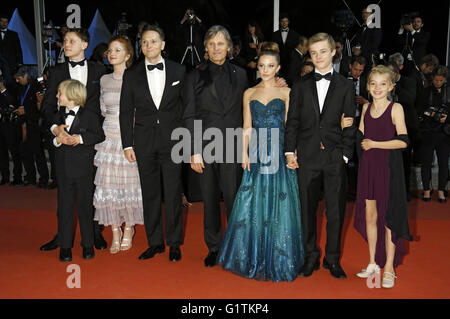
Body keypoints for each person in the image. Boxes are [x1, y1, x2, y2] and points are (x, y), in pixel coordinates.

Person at [217, 49, 304, 282]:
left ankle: (280, 257)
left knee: (280, 202)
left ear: (278, 68)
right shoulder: (249, 93)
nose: (265, 70)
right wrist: (243, 153)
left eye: (270, 66)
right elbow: (247, 126)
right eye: (261, 66)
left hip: (279, 151)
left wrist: (291, 153)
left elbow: (291, 125)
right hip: (256, 152)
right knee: (252, 201)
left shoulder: (287, 92)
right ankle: (252, 254)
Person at [285, 33, 356, 279]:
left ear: (333, 52)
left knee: (336, 211)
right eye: (313, 53)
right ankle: (310, 257)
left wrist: (346, 154)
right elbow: (291, 121)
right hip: (307, 156)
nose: (318, 57)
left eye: (322, 52)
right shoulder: (301, 85)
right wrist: (289, 151)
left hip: (335, 157)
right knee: (307, 211)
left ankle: (332, 260)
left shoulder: (347, 85)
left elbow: (350, 123)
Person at [120, 25, 186, 262]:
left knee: (173, 192)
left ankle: (175, 243)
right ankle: (155, 242)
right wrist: (127, 144)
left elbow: (186, 108)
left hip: (173, 142)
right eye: (145, 42)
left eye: (153, 41)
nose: (149, 46)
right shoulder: (132, 74)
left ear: (163, 44)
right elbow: (125, 111)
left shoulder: (179, 71)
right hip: (144, 142)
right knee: (150, 195)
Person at [183, 25, 248, 267]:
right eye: (211, 44)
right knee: (209, 199)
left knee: (234, 198)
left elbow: (248, 108)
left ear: (229, 47)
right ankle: (213, 247)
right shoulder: (194, 76)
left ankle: (235, 246)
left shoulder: (241, 74)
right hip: (206, 146)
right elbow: (188, 114)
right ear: (206, 49)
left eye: (220, 43)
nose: (216, 48)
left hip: (233, 144)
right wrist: (193, 149)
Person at [40, 27, 108, 252]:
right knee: (65, 194)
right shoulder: (57, 71)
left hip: (92, 140)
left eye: (71, 41)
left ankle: (94, 233)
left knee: (92, 190)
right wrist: (55, 129)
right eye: (65, 41)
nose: (66, 44)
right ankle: (63, 236)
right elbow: (48, 105)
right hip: (63, 141)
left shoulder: (100, 71)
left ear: (85, 44)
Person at [354, 65, 412, 288]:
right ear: (368, 87)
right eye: (373, 84)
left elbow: (404, 140)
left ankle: (389, 266)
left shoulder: (395, 108)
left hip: (388, 168)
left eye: (383, 84)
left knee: (388, 218)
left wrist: (376, 144)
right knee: (370, 217)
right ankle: (372, 263)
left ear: (391, 86)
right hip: (368, 168)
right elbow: (361, 137)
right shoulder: (366, 108)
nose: (377, 88)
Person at [93, 36, 144, 254]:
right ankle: (115, 231)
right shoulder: (104, 80)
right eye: (110, 50)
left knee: (130, 185)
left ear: (128, 55)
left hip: (129, 138)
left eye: (117, 50)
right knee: (109, 186)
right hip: (108, 138)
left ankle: (129, 228)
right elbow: (102, 108)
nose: (111, 53)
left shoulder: (137, 79)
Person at [52, 79, 105, 262]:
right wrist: (58, 139)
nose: (57, 96)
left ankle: (88, 244)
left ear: (72, 96)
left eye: (60, 93)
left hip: (84, 169)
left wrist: (80, 138)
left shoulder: (90, 115)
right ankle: (65, 246)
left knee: (85, 207)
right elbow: (50, 135)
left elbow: (99, 134)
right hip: (64, 169)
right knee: (64, 207)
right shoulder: (57, 115)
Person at [386, 61, 418, 201]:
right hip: (386, 129)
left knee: (404, 162)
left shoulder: (409, 82)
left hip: (405, 129)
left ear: (396, 73)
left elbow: (411, 100)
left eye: (388, 74)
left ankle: (404, 192)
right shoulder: (383, 84)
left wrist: (396, 88)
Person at [417, 65, 450, 203]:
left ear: (445, 80)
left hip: (444, 133)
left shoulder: (448, 92)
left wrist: (447, 118)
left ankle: (441, 190)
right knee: (426, 162)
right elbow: (418, 110)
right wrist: (428, 114)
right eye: (436, 80)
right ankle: (426, 189)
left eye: (441, 80)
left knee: (443, 163)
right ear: (432, 78)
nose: (438, 82)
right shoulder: (425, 92)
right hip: (428, 131)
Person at [13, 66, 49, 188]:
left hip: (34, 125)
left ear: (25, 76)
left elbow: (40, 108)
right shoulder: (20, 87)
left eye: (19, 78)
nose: (17, 81)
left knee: (38, 153)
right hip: (23, 124)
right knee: (25, 152)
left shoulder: (36, 86)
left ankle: (44, 178)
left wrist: (26, 111)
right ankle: (30, 177)